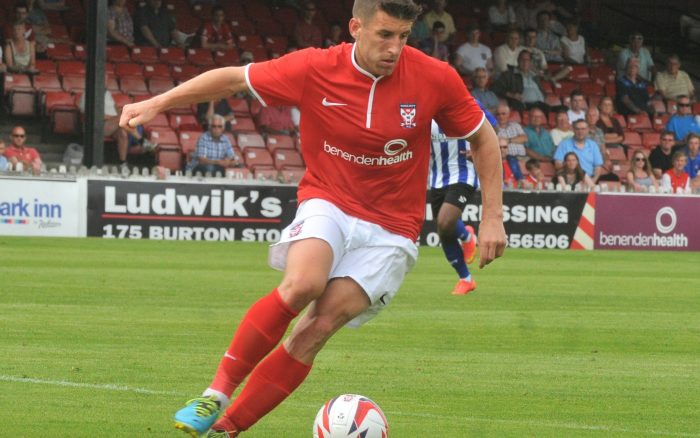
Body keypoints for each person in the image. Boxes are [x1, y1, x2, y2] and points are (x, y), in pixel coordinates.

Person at [118, 1, 506, 437]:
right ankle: (216, 394)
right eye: (384, 35)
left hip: (393, 229)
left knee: (315, 330)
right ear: (355, 28)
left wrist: (492, 217)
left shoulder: (434, 76)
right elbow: (231, 79)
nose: (395, 47)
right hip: (330, 200)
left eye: (403, 36)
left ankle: (228, 428)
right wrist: (158, 102)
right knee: (303, 284)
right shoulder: (315, 67)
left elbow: (483, 138)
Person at [429, 120, 479, 295]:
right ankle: (466, 280)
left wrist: (479, 148)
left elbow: (491, 126)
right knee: (445, 231)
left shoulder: (468, 104)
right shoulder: (425, 108)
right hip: (436, 179)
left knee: (444, 221)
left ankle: (466, 236)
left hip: (463, 175)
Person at [79, 90, 156, 167]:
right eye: (104, 77)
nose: (105, 79)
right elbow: (90, 114)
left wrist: (120, 112)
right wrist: (115, 117)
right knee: (122, 118)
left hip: (113, 124)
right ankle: (141, 141)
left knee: (122, 133)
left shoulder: (107, 93)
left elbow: (114, 109)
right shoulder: (88, 93)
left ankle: (122, 162)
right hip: (98, 125)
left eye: (106, 77)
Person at [493, 49, 549, 114]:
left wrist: (544, 97)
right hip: (525, 106)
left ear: (530, 62)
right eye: (522, 59)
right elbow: (495, 88)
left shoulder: (535, 76)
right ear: (518, 61)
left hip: (541, 104)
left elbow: (542, 91)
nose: (525, 62)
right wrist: (511, 95)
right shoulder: (509, 74)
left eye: (527, 60)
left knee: (561, 110)